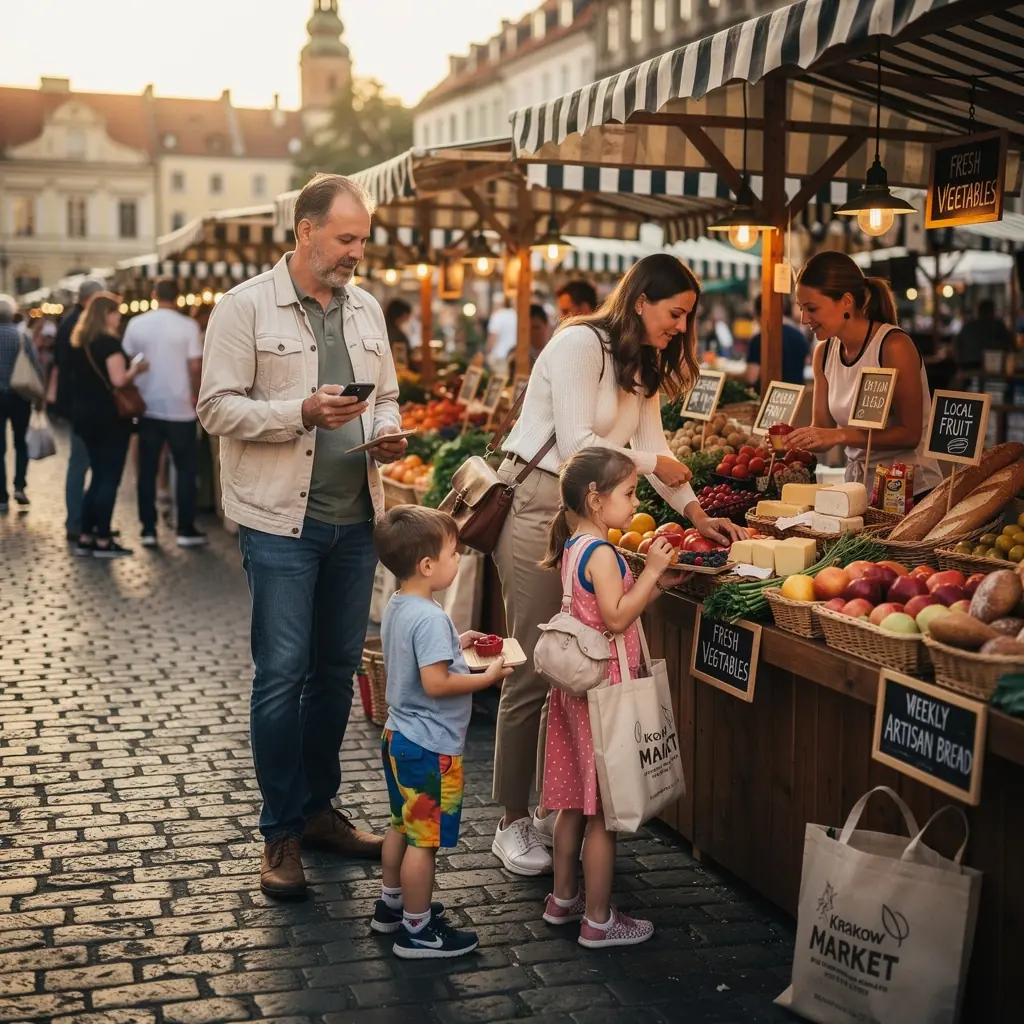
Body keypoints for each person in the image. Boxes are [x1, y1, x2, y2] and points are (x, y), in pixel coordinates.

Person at [489, 253, 747, 875]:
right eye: (675, 314)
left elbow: (652, 448)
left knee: (572, 673)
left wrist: (696, 516)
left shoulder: (643, 364)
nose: (681, 327)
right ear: (640, 301)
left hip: (586, 515)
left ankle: (551, 810)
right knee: (534, 663)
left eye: (688, 317)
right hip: (538, 502)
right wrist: (655, 466)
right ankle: (510, 821)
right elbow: (578, 443)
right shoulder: (580, 343)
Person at [198, 172, 409, 900]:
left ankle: (318, 811)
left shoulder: (367, 308)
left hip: (356, 521)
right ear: (306, 231)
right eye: (346, 238)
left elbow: (387, 395)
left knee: (335, 673)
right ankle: (281, 830)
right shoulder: (244, 306)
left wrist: (387, 432)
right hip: (279, 523)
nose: (357, 251)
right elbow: (215, 408)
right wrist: (299, 413)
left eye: (363, 239)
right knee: (282, 675)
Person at [541, 447, 685, 947]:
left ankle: (563, 898)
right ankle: (599, 920)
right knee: (603, 812)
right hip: (605, 693)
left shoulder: (576, 545)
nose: (636, 501)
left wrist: (656, 585)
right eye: (629, 493)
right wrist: (652, 571)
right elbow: (617, 617)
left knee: (572, 804)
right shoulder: (602, 552)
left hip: (576, 694)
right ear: (596, 499)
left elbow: (608, 606)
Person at [372, 505, 512, 958]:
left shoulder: (401, 604)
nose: (459, 559)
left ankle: (392, 906)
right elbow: (436, 683)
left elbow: (420, 657)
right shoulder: (431, 617)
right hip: (429, 747)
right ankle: (418, 931)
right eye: (454, 553)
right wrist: (488, 679)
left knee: (400, 825)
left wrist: (458, 642)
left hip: (398, 737)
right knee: (424, 841)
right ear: (427, 565)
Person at [786, 251, 943, 494]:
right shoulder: (823, 353)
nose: (804, 319)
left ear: (846, 301)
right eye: (801, 309)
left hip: (910, 490)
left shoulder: (893, 346)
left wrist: (840, 436)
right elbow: (823, 430)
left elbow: (910, 434)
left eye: (812, 308)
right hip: (859, 489)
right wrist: (791, 440)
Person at [122, 278, 206, 549]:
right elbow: (195, 367)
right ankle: (185, 528)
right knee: (185, 469)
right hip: (181, 408)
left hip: (147, 406)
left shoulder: (136, 324)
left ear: (154, 294)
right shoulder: (188, 326)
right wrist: (196, 397)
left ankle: (148, 529)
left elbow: (128, 359)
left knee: (147, 471)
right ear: (178, 297)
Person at [68, 292, 149, 557]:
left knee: (97, 477)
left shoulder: (81, 342)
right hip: (109, 420)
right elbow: (118, 380)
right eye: (117, 313)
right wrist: (135, 369)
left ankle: (86, 535)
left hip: (85, 417)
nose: (119, 318)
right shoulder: (110, 344)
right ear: (106, 314)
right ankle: (103, 539)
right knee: (108, 478)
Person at [50, 278, 106, 540]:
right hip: (82, 405)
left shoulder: (69, 321)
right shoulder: (81, 323)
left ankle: (83, 520)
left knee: (82, 463)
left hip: (76, 404)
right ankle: (78, 521)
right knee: (82, 463)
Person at [0, 294, 45, 512]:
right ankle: (19, 485)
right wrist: (40, 396)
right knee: (21, 442)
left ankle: (1, 495)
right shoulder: (22, 336)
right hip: (19, 395)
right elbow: (36, 366)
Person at [745, 295, 810, 389]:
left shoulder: (759, 340)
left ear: (759, 314)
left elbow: (751, 377)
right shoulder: (799, 335)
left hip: (769, 395)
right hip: (795, 395)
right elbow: (807, 360)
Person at [955, 298, 1015, 371]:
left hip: (968, 365)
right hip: (993, 366)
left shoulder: (968, 326)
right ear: (992, 311)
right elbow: (1010, 345)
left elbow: (957, 344)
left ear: (978, 311)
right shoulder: (998, 325)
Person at [507, 304, 552, 378]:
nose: (532, 332)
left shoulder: (554, 351)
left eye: (536, 328)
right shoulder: (515, 353)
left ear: (546, 326)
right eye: (528, 329)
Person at [485, 298, 517, 373]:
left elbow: (492, 337)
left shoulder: (497, 316)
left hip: (500, 355)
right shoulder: (516, 315)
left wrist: (488, 352)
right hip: (514, 356)